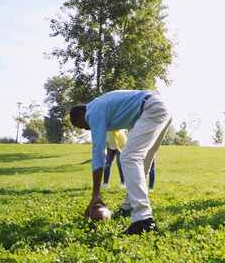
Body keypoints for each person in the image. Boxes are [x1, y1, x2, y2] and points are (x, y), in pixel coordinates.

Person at [69, 90, 171, 234]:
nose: (85, 129)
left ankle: (143, 220)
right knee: (142, 160)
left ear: (80, 115)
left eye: (81, 126)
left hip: (151, 108)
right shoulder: (102, 105)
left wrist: (96, 195)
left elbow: (98, 152)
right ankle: (129, 205)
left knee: (128, 158)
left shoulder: (92, 113)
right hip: (158, 106)